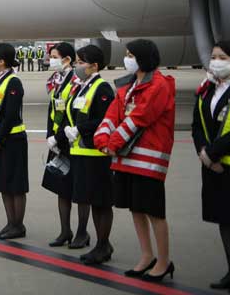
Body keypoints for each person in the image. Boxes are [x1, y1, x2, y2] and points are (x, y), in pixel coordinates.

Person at [93, 39, 175, 282]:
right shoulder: (128, 85)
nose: (127, 58)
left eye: (131, 54)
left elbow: (139, 117)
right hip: (126, 159)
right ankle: (146, 255)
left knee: (154, 212)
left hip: (148, 160)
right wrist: (102, 137)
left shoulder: (159, 84)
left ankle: (163, 261)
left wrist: (112, 143)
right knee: (136, 209)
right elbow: (112, 115)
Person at [192, 41, 230, 292]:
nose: (215, 61)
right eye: (213, 56)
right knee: (225, 221)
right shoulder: (207, 90)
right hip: (213, 167)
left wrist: (212, 153)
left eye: (222, 57)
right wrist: (203, 151)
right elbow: (197, 124)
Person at [66, 45, 117, 265]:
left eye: (80, 62)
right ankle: (101, 244)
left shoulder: (102, 88)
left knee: (101, 202)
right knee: (91, 200)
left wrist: (80, 129)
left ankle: (103, 244)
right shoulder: (82, 87)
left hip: (96, 155)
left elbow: (106, 118)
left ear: (94, 65)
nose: (77, 66)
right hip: (81, 152)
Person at [42, 42, 90, 249]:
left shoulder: (76, 81)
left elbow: (74, 115)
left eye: (54, 56)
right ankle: (65, 231)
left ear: (67, 59)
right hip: (58, 143)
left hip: (71, 142)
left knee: (79, 191)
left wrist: (59, 137)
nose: (50, 60)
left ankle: (82, 232)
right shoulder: (58, 80)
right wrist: (49, 137)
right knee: (61, 189)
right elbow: (53, 111)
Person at [0, 42, 28, 240]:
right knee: (4, 183)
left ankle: (18, 225)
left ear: (2, 61)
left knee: (15, 184)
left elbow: (10, 115)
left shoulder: (13, 82)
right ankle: (10, 223)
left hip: (13, 140)